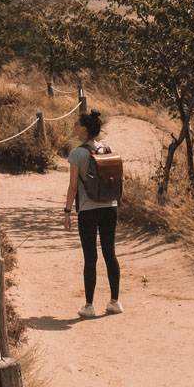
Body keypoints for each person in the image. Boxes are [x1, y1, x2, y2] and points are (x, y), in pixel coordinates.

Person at [63, 109, 121, 317]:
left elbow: (72, 187)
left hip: (88, 209)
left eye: (76, 125)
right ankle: (115, 302)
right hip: (110, 206)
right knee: (110, 253)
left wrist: (67, 211)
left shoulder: (77, 154)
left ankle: (89, 306)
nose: (74, 128)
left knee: (90, 257)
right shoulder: (108, 148)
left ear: (84, 129)